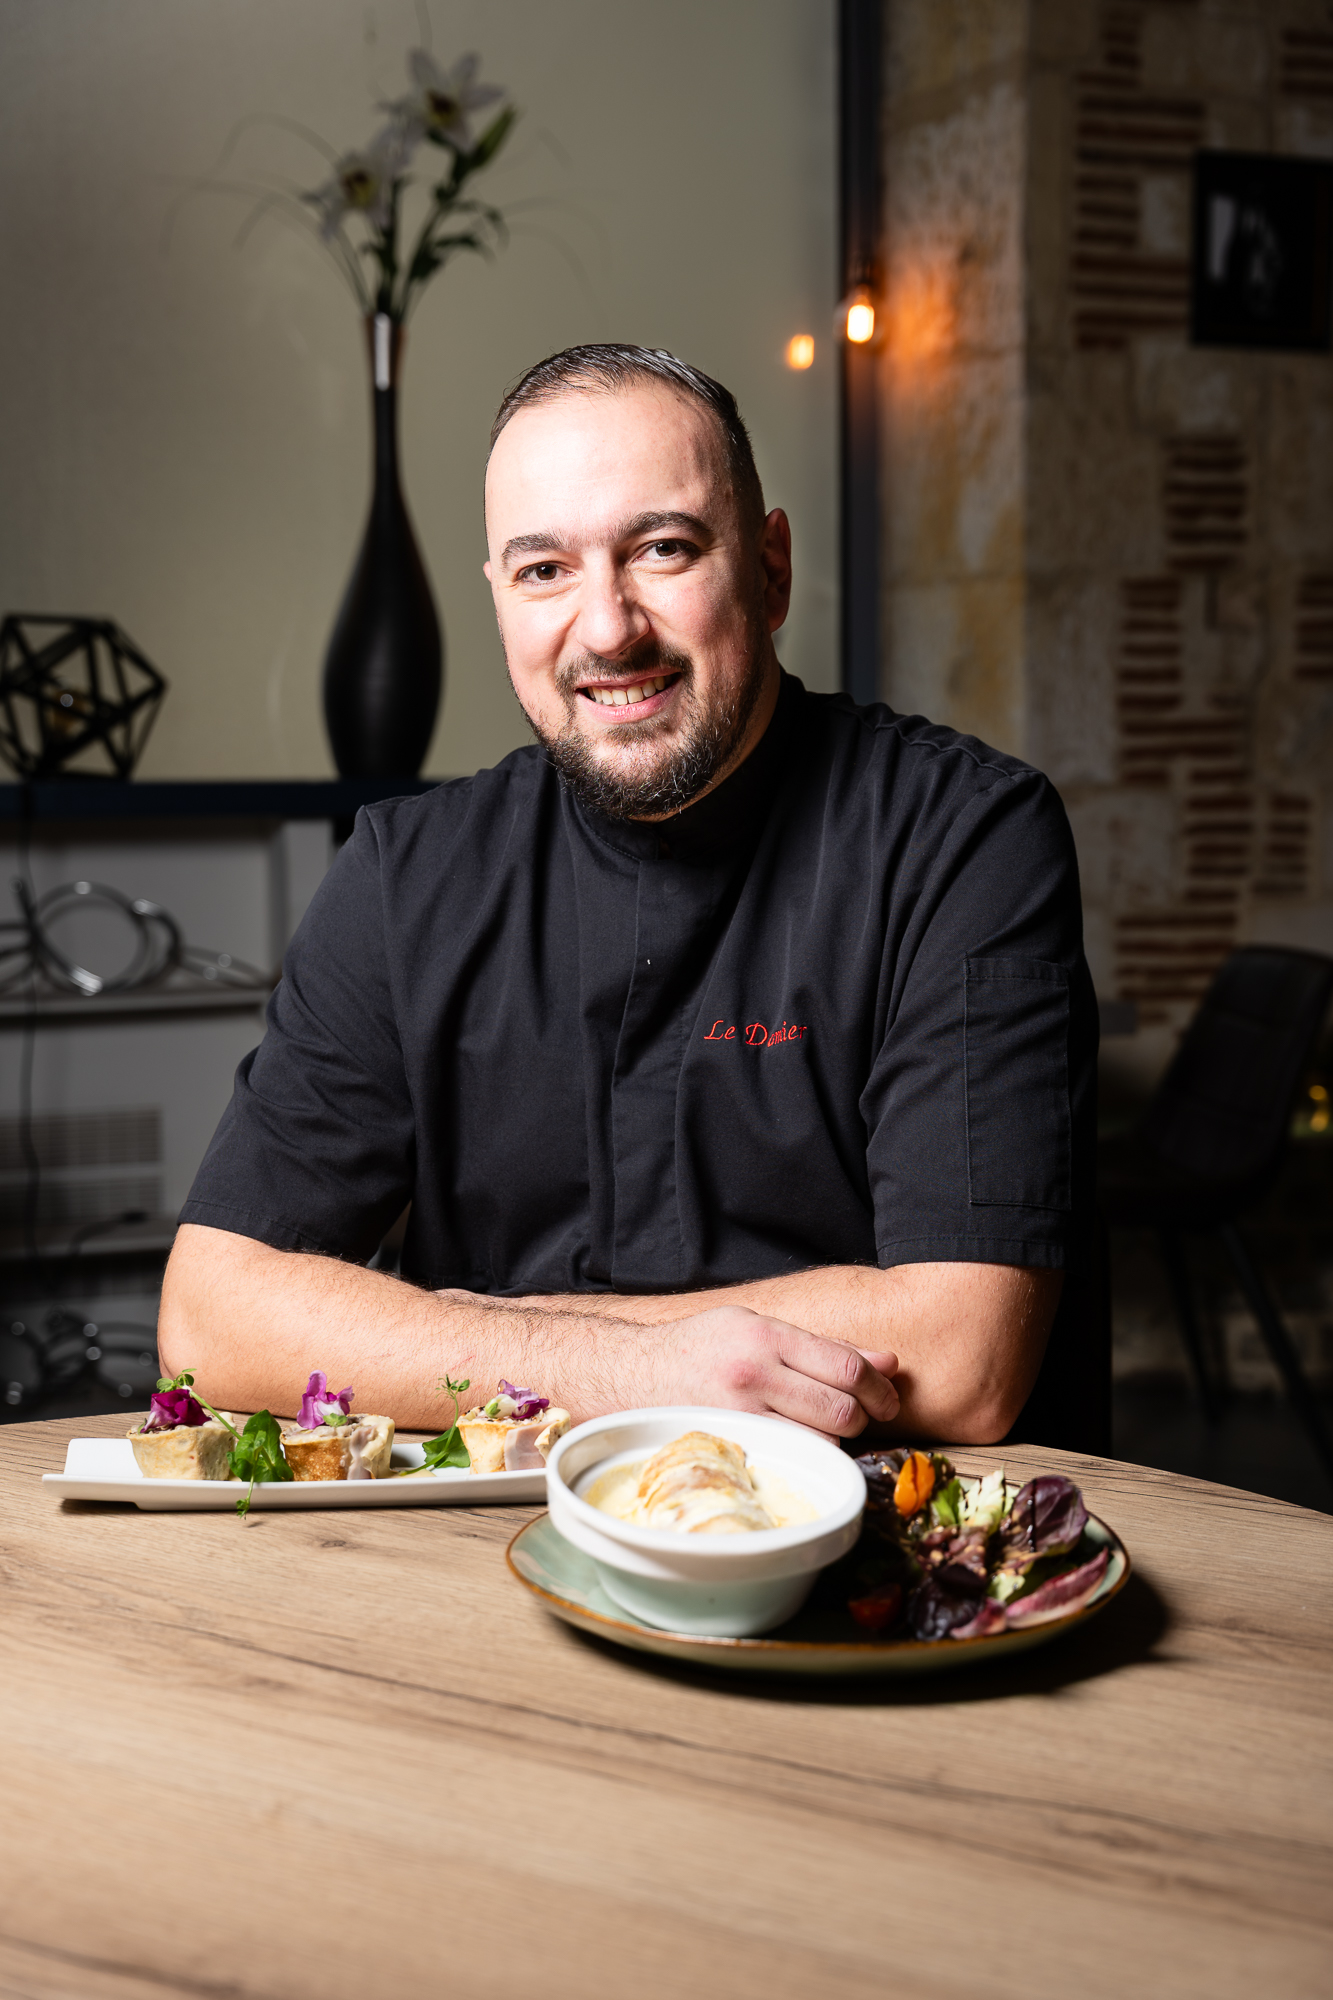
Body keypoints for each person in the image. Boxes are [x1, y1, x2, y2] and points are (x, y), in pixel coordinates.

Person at [159, 345, 1097, 1448]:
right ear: (500, 598)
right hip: (487, 1559)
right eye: (543, 569)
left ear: (772, 566)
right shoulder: (405, 875)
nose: (607, 628)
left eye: (662, 549)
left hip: (871, 1568)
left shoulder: (963, 837)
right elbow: (210, 1317)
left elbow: (960, 1355)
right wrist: (639, 1363)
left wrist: (445, 1330)